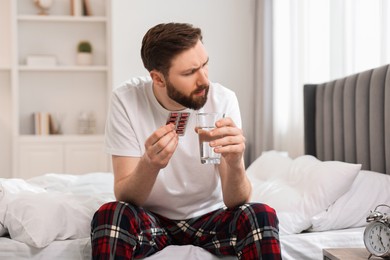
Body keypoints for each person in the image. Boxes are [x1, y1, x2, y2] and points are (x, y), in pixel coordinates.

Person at [91, 22, 281, 260]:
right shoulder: (126, 99)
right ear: (158, 79)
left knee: (260, 214)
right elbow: (126, 196)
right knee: (111, 214)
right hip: (152, 219)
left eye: (205, 65)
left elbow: (237, 200)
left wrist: (235, 162)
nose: (204, 81)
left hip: (210, 218)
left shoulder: (223, 99)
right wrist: (149, 164)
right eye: (190, 72)